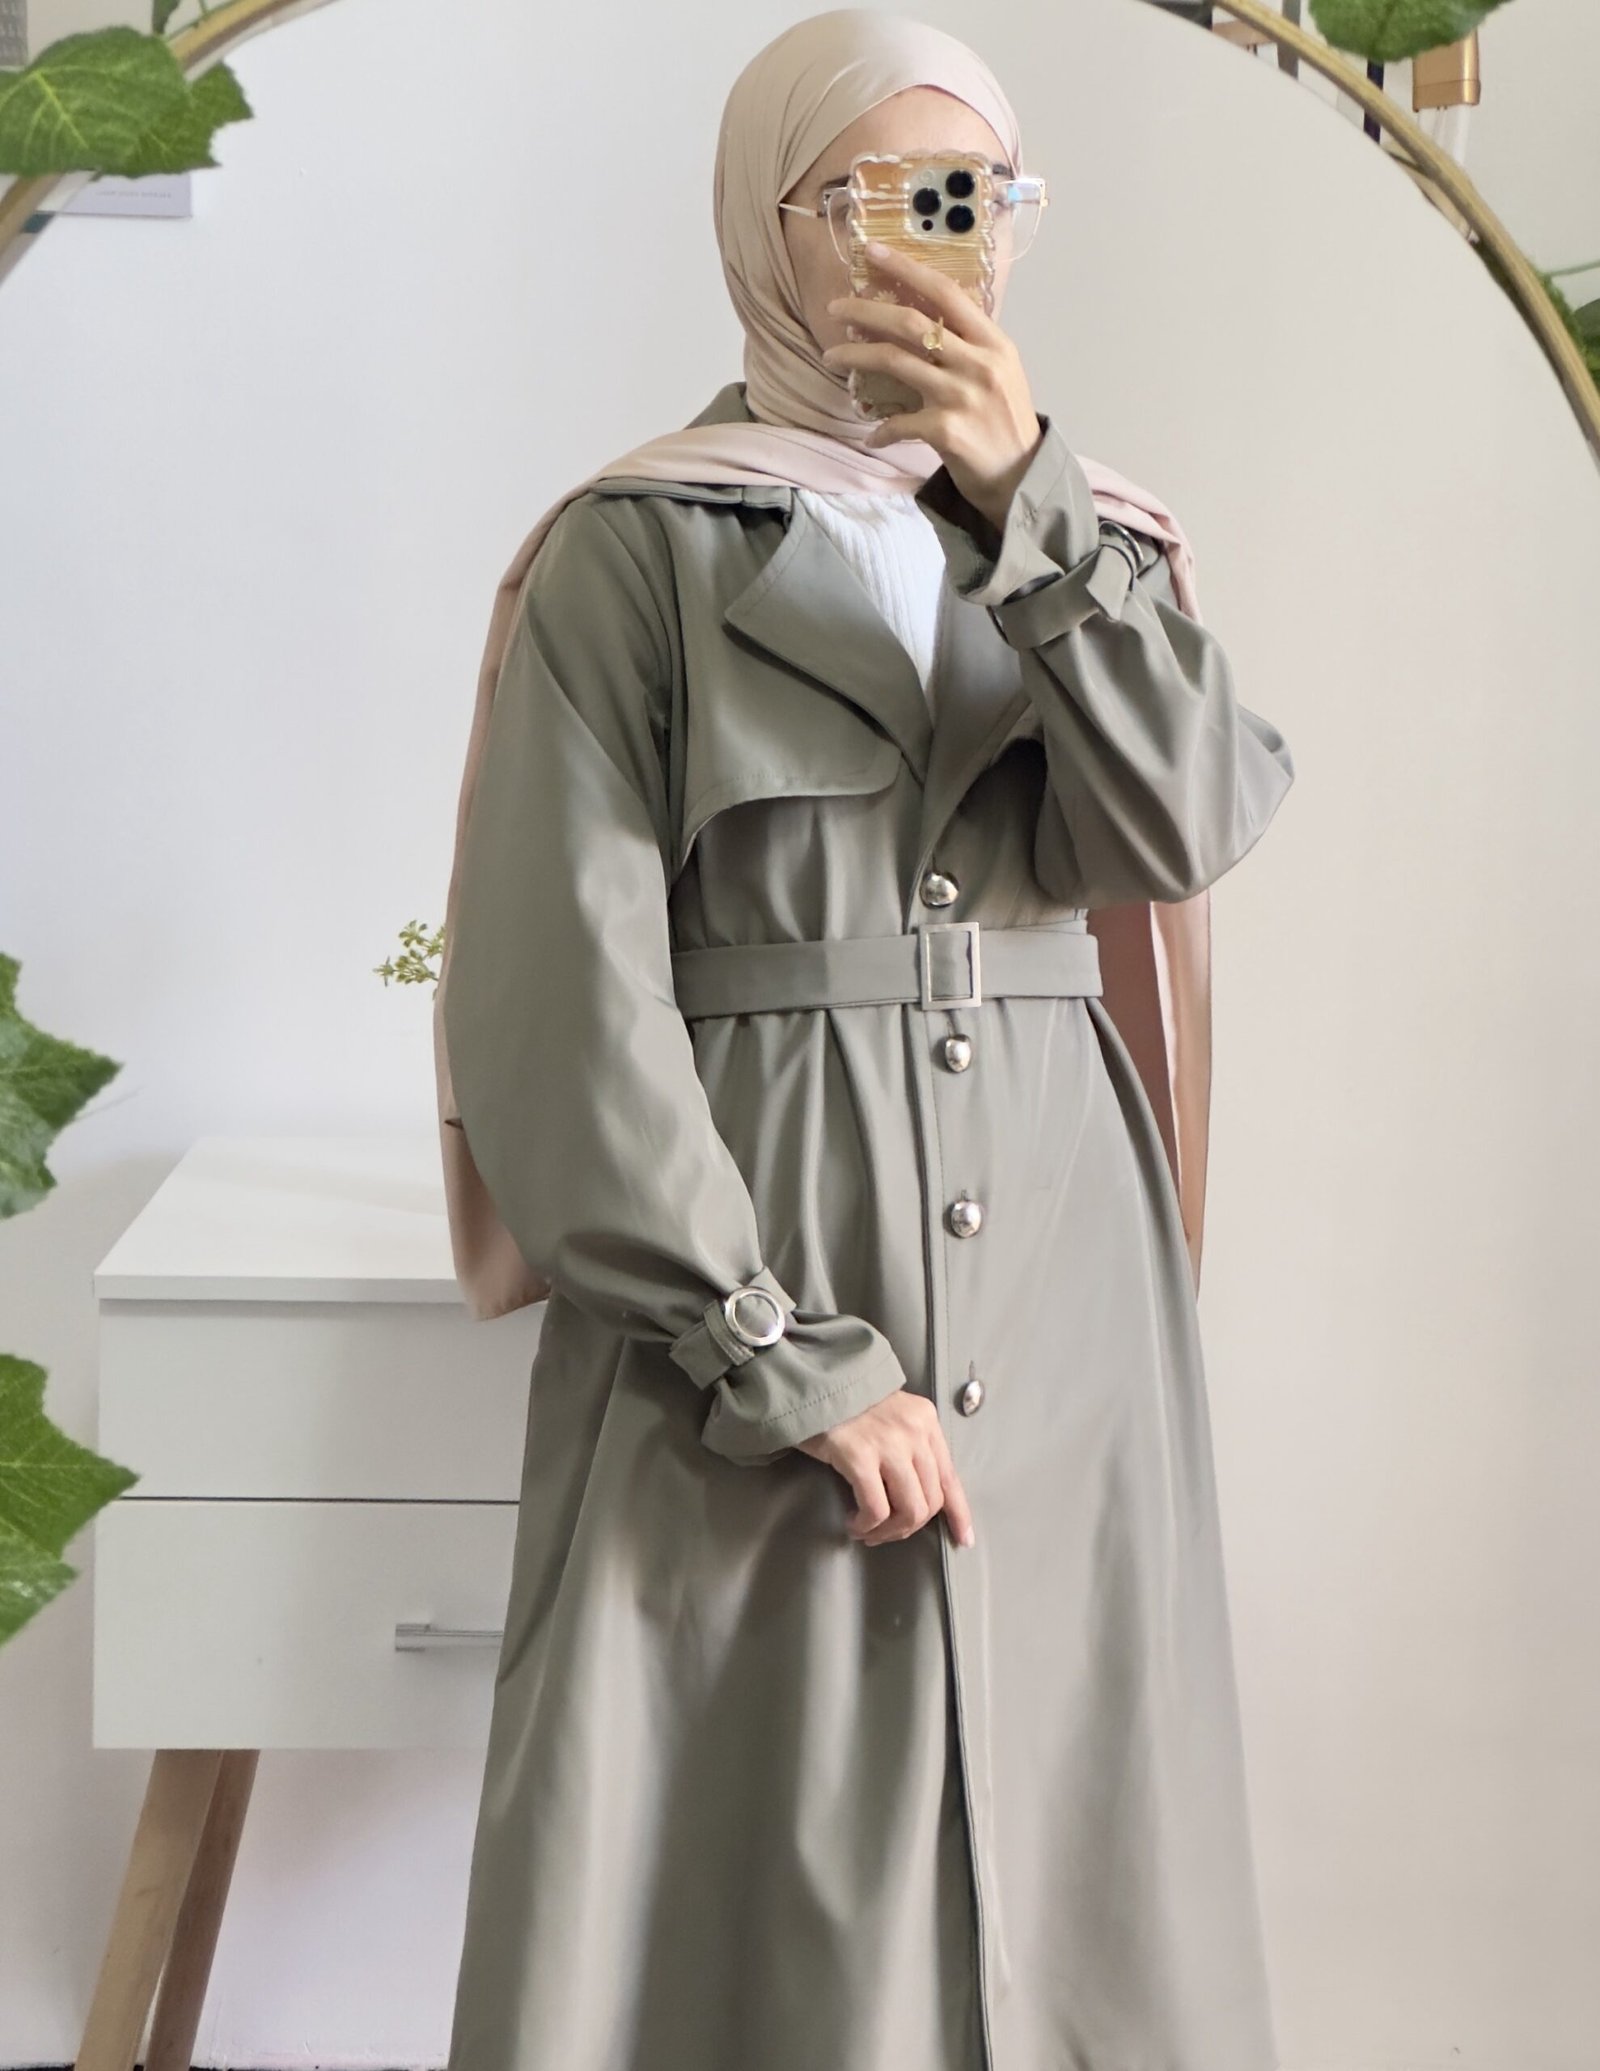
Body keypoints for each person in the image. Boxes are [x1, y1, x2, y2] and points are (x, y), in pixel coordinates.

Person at [439, 11, 1296, 2069]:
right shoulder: (634, 552)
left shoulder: (1103, 545)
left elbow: (1189, 825)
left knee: (1068, 1830)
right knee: (743, 1851)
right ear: (766, 222)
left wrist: (1032, 506)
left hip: (1065, 1305)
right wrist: (773, 1348)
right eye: (874, 197)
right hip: (745, 1294)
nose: (933, 242)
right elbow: (557, 1001)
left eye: (971, 194)